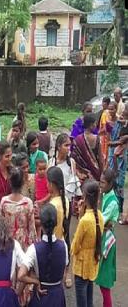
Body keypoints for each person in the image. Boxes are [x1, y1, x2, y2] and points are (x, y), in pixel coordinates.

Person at [18, 204, 68, 307]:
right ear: (55, 223)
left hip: (41, 297)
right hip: (58, 296)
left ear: (41, 222)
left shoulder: (34, 249)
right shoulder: (63, 245)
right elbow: (64, 272)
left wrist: (35, 281)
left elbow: (21, 275)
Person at [71, 180, 104, 307]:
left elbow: (75, 246)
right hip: (92, 263)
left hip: (81, 266)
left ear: (84, 197)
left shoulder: (85, 220)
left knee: (82, 303)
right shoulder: (99, 216)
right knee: (89, 300)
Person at [96, 169, 120, 307]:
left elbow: (101, 219)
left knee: (104, 282)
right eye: (100, 181)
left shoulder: (113, 202)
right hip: (103, 237)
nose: (100, 185)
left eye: (103, 182)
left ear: (111, 184)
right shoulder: (104, 195)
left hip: (107, 241)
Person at [0, 167, 37, 251]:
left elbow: (1, 226)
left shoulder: (4, 202)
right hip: (23, 244)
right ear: (23, 183)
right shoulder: (28, 203)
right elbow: (31, 229)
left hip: (8, 243)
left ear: (10, 182)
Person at [47, 166, 72, 288]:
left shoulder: (53, 205)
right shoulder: (65, 200)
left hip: (53, 245)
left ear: (51, 184)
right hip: (62, 242)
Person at [108, 108, 128, 223]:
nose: (123, 116)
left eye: (125, 113)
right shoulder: (123, 124)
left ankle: (120, 213)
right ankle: (117, 212)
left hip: (122, 161)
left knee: (119, 187)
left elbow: (121, 141)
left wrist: (112, 144)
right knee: (116, 186)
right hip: (119, 160)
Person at [71, 113, 104, 182]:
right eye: (95, 123)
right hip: (95, 172)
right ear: (91, 125)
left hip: (82, 174)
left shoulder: (78, 139)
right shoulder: (96, 138)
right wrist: (101, 172)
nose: (96, 125)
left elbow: (74, 158)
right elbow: (101, 159)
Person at [98, 97, 111, 162]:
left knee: (103, 155)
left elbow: (104, 128)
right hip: (106, 137)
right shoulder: (109, 112)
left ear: (107, 104)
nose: (102, 104)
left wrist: (97, 133)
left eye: (104, 103)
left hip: (104, 138)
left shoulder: (105, 113)